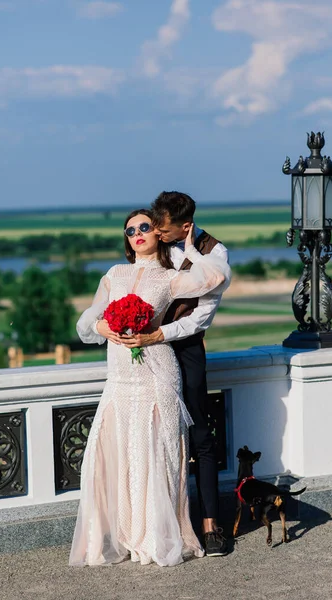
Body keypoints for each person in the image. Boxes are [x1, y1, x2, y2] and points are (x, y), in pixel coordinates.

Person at [69, 208, 231, 568]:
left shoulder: (172, 276)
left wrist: (190, 247)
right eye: (130, 230)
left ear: (159, 233)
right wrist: (101, 329)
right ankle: (126, 532)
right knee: (121, 449)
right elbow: (85, 320)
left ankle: (158, 534)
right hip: (120, 377)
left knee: (157, 450)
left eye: (145, 227)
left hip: (157, 369)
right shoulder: (114, 275)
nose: (138, 233)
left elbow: (216, 276)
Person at [121, 192, 230, 557]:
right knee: (154, 435)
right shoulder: (158, 240)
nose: (155, 234)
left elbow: (201, 316)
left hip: (185, 348)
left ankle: (210, 526)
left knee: (200, 433)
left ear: (185, 227)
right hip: (149, 350)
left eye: (162, 230)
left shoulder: (214, 252)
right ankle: (158, 525)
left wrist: (159, 334)